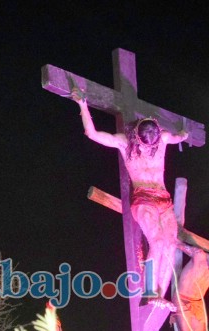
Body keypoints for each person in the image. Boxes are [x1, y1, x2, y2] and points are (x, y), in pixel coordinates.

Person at [71, 89, 189, 304]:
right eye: (144, 146)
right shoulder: (125, 143)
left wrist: (184, 134)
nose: (147, 150)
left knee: (171, 243)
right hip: (144, 200)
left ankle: (160, 294)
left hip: (164, 200)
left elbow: (179, 136)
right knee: (158, 242)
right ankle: (151, 292)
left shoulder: (161, 139)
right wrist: (82, 104)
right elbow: (93, 134)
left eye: (150, 147)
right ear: (137, 137)